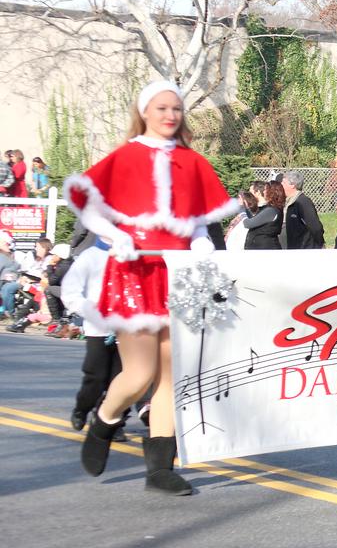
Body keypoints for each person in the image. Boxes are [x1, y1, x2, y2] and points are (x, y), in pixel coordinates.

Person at [63, 79, 240, 496]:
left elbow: (197, 221)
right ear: (145, 111)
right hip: (134, 275)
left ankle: (160, 467)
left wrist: (199, 244)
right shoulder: (125, 156)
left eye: (176, 109)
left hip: (179, 276)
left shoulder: (192, 162)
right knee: (139, 372)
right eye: (161, 108)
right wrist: (117, 236)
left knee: (171, 376)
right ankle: (104, 420)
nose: (170, 115)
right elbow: (89, 207)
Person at [61, 236, 127, 439]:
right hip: (98, 328)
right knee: (95, 376)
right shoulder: (90, 256)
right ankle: (83, 407)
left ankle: (111, 421)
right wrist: (88, 310)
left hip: (128, 328)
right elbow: (70, 291)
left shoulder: (135, 254)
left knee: (122, 379)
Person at [281, 170, 324, 249]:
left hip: (305, 251)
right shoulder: (289, 202)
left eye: (283, 182)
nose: (281, 185)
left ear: (292, 185)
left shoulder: (303, 202)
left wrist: (320, 244)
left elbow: (316, 228)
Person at [43, 243, 74, 337]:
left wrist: (49, 267)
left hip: (71, 292)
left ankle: (56, 319)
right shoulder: (69, 263)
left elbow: (52, 281)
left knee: (49, 290)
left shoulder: (63, 266)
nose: (53, 257)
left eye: (55, 255)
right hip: (72, 291)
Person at [244, 180, 285, 250]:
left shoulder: (271, 211)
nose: (264, 192)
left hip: (266, 249)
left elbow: (248, 223)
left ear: (271, 192)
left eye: (266, 190)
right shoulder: (269, 208)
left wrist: (243, 214)